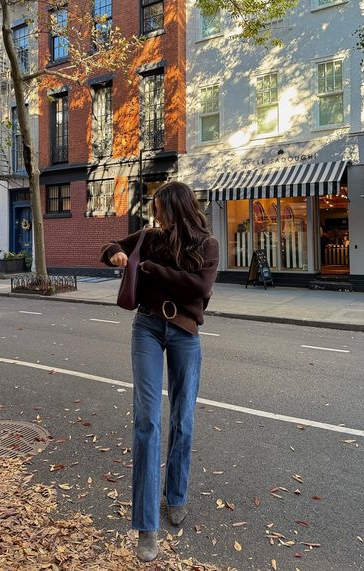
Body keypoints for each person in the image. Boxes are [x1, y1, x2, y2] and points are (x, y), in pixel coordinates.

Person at [100, 181, 219, 562]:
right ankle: (147, 526)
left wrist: (149, 269)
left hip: (185, 332)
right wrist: (116, 256)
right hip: (147, 327)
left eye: (160, 208)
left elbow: (197, 288)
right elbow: (111, 247)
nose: (156, 215)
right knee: (147, 421)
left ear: (177, 207)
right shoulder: (149, 237)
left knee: (183, 419)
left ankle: (176, 495)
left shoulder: (207, 246)